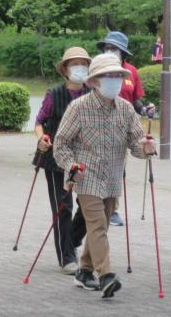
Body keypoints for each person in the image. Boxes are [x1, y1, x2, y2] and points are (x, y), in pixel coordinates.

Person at [53, 53, 156, 297]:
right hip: (86, 177)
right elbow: (61, 143)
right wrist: (71, 165)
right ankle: (106, 274)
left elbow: (136, 143)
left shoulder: (127, 109)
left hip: (112, 178)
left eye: (118, 75)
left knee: (102, 225)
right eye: (108, 76)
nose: (115, 80)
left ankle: (85, 270)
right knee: (97, 224)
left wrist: (146, 148)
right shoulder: (78, 108)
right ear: (94, 81)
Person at [34, 47, 91, 274]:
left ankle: (72, 240)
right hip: (56, 157)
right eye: (74, 64)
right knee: (63, 206)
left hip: (86, 158)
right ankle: (67, 256)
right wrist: (42, 138)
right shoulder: (54, 94)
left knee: (89, 206)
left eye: (83, 64)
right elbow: (39, 121)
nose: (79, 68)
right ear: (65, 69)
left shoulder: (93, 93)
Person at [95, 31, 156, 225]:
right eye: (107, 47)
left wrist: (145, 109)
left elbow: (136, 100)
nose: (110, 51)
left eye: (114, 48)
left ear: (123, 52)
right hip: (99, 125)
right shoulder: (97, 69)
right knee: (99, 167)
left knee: (118, 168)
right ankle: (97, 204)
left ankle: (112, 208)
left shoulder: (131, 72)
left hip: (124, 127)